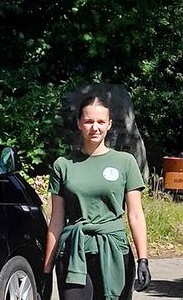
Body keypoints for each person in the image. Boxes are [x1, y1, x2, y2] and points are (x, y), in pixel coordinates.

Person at [43, 95, 151, 300]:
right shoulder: (63, 165)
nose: (95, 127)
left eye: (101, 122)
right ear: (79, 123)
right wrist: (46, 272)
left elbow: (135, 215)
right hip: (74, 252)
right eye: (89, 121)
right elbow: (56, 221)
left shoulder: (125, 162)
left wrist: (143, 260)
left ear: (109, 124)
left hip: (114, 251)